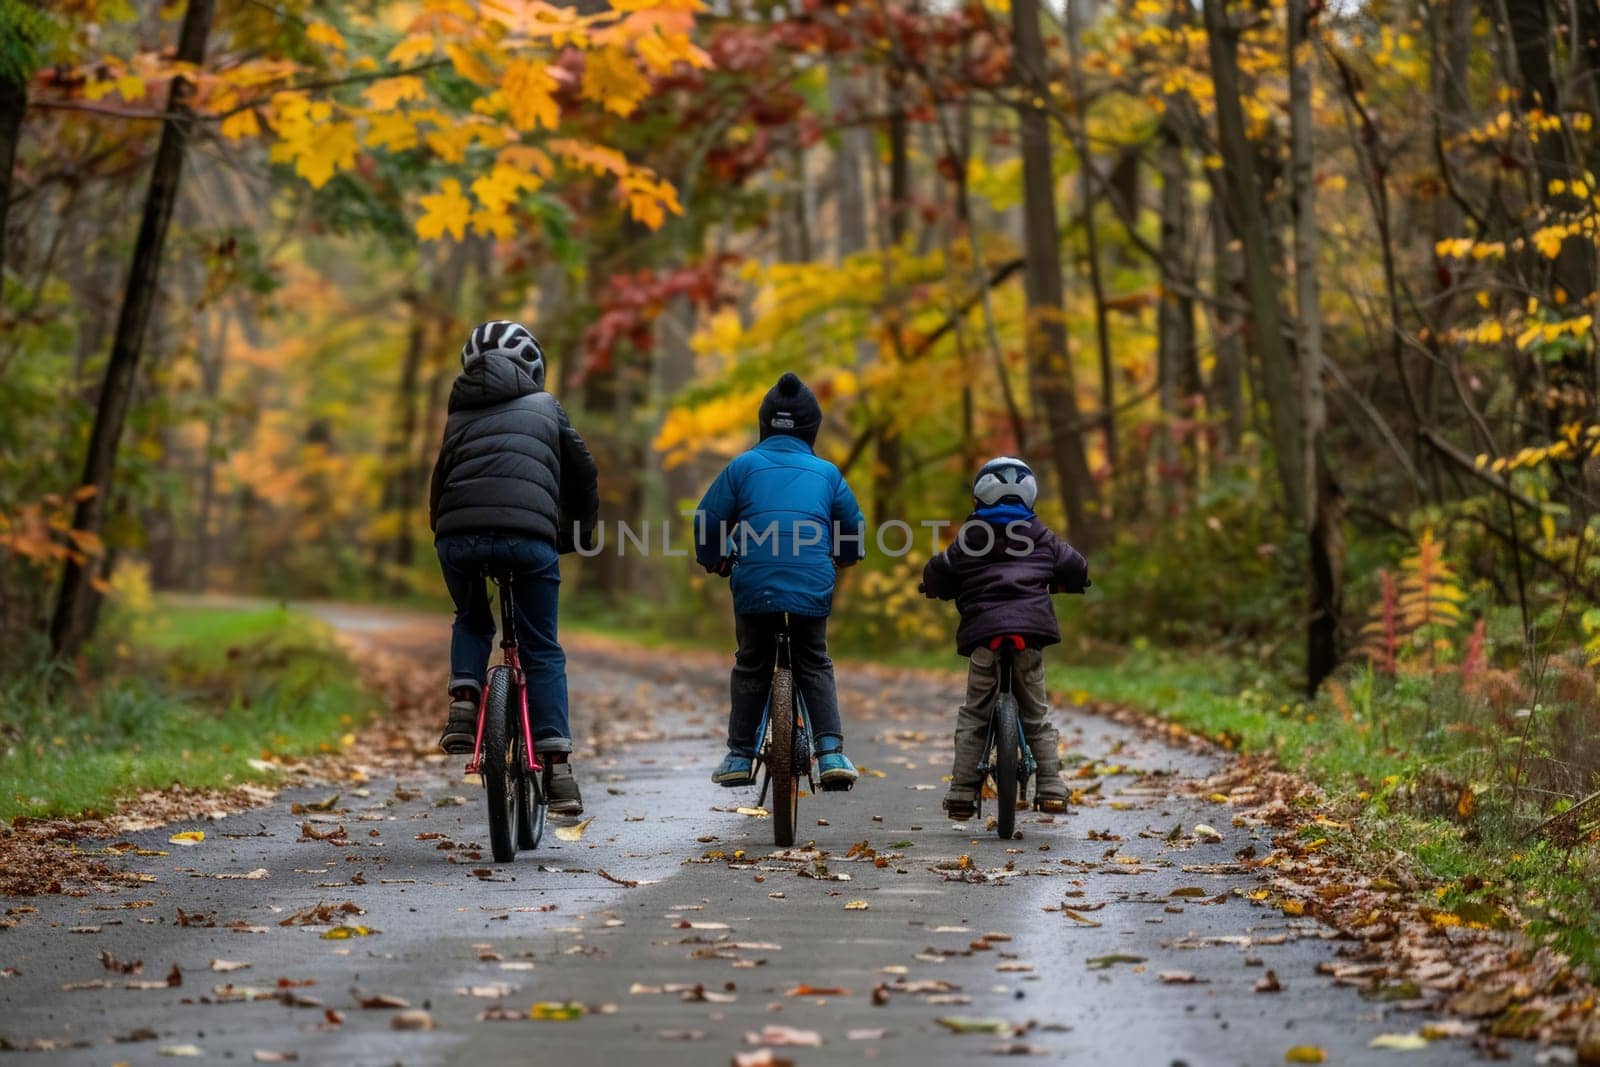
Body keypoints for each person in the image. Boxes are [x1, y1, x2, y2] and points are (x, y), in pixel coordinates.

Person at [428, 320, 598, 816]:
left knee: (472, 618)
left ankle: (464, 702)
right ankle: (559, 768)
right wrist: (578, 531)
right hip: (528, 540)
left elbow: (440, 480)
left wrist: (443, 529)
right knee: (541, 647)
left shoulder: (457, 413)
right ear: (534, 368)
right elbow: (582, 469)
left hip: (457, 537)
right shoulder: (547, 408)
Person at [693, 372, 865, 790]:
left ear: (764, 424)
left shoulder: (743, 466)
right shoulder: (827, 474)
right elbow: (851, 528)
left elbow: (708, 520)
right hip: (811, 582)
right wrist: (843, 557)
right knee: (814, 661)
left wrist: (715, 559)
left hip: (755, 583)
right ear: (813, 429)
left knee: (752, 662)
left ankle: (738, 754)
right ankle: (831, 752)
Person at [920, 456, 1089, 819]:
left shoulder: (969, 539)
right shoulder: (1041, 535)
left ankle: (963, 790)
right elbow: (1075, 566)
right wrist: (1074, 582)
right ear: (1029, 498)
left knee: (974, 714)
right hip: (1029, 633)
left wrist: (932, 586)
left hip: (985, 634)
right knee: (1037, 713)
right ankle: (1052, 786)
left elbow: (940, 569)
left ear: (979, 498)